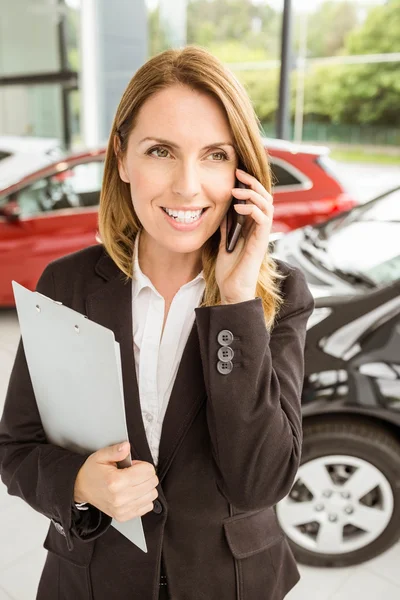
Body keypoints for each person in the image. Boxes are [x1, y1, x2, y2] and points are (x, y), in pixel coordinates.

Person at [0, 46, 314, 600]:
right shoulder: (67, 286)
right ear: (122, 158)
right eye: (161, 151)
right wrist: (78, 483)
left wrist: (236, 304)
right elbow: (16, 446)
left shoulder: (279, 296)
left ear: (243, 169)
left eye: (215, 155)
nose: (188, 186)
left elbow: (261, 481)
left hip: (231, 584)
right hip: (93, 580)